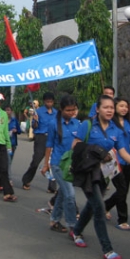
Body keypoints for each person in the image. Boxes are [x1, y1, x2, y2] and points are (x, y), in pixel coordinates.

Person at [70, 95, 130, 259]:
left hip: (103, 174)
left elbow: (123, 153)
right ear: (98, 109)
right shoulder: (88, 125)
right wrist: (96, 151)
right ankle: (107, 248)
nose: (109, 110)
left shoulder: (116, 130)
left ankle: (76, 231)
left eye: (112, 107)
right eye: (106, 107)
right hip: (87, 172)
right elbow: (75, 145)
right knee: (99, 208)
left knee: (91, 206)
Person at [40, 95, 79, 234]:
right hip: (57, 164)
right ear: (61, 109)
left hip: (71, 165)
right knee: (70, 195)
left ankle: (54, 220)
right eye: (68, 110)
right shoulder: (53, 124)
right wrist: (46, 164)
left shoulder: (77, 124)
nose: (71, 113)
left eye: (73, 110)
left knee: (63, 193)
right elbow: (49, 144)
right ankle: (73, 226)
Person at [104, 97, 130, 231]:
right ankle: (122, 219)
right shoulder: (110, 124)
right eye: (121, 106)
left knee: (124, 191)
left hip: (127, 162)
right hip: (115, 163)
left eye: (126, 106)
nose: (124, 108)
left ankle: (105, 206)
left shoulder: (128, 124)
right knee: (121, 190)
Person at [22, 92, 57, 192]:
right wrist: (36, 120)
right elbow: (34, 127)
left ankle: (52, 186)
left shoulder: (56, 113)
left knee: (52, 162)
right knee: (36, 161)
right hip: (41, 137)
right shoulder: (39, 112)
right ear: (44, 101)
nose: (49, 103)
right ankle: (26, 179)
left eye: (51, 102)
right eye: (47, 101)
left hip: (53, 138)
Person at [4, 105, 21, 186]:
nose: (8, 112)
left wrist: (16, 130)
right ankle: (9, 179)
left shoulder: (14, 120)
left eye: (9, 110)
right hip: (4, 143)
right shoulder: (2, 120)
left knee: (9, 161)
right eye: (6, 110)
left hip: (13, 143)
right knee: (8, 161)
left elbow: (20, 131)